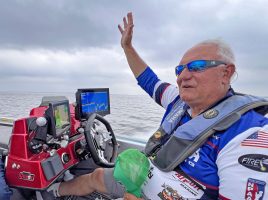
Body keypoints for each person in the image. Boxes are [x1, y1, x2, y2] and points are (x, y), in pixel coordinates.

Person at [49, 12, 268, 199]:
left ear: (226, 73)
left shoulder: (248, 134)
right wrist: (127, 47)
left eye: (196, 67)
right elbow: (149, 80)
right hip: (147, 177)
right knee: (96, 176)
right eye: (179, 70)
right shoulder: (179, 101)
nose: (183, 76)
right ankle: (54, 191)